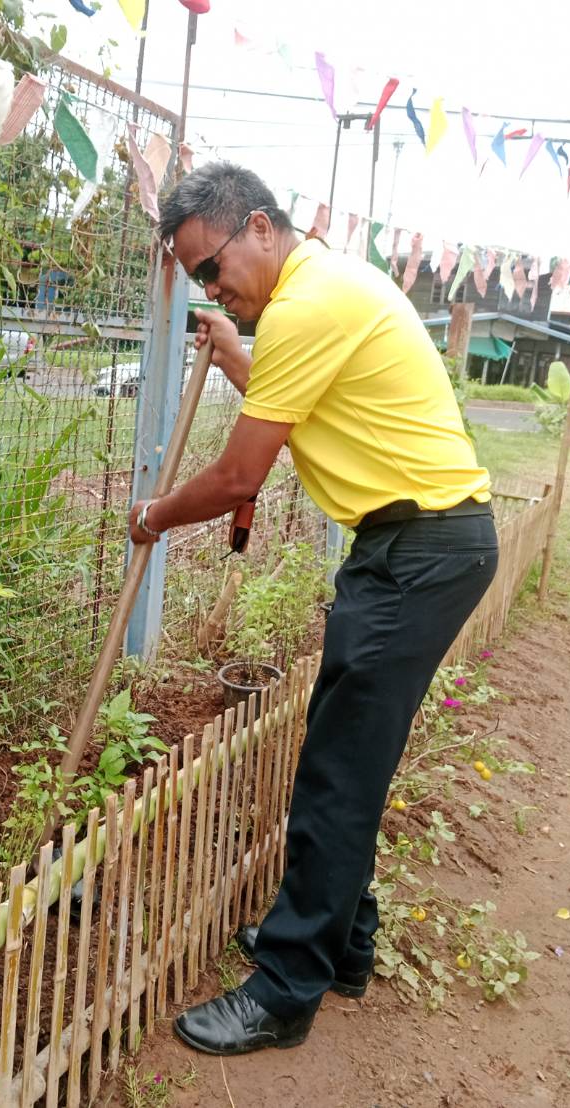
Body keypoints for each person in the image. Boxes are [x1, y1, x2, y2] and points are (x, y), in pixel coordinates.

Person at [133, 163, 496, 1056]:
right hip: (417, 548)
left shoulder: (305, 304)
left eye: (211, 269)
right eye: (199, 282)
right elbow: (293, 404)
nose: (213, 288)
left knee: (337, 774)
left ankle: (287, 990)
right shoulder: (325, 284)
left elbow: (235, 477)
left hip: (417, 552)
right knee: (349, 761)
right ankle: (342, 948)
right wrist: (236, 361)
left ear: (258, 226)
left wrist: (150, 517)